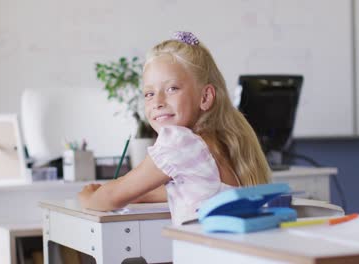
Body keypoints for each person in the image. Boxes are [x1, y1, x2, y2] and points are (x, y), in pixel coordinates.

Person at [79, 31, 270, 225]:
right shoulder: (220, 142)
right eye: (149, 93)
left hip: (199, 253)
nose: (158, 102)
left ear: (205, 97)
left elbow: (110, 197)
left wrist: (88, 198)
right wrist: (142, 194)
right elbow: (199, 187)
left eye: (172, 89)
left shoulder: (180, 142)